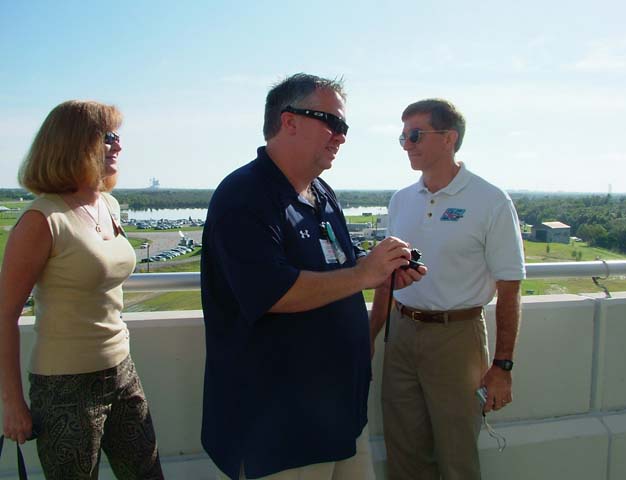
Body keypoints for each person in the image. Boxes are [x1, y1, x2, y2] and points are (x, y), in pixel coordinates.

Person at [200, 73, 426, 480]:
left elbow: (338, 266)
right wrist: (364, 273)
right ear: (289, 121)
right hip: (280, 430)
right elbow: (273, 292)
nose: (341, 136)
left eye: (345, 127)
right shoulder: (244, 196)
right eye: (332, 122)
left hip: (341, 415)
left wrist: (381, 271)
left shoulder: (321, 193)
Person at [0, 100, 164, 479]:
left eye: (117, 136)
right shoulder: (42, 219)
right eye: (107, 137)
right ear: (75, 144)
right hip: (64, 388)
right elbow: (5, 314)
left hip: (122, 371)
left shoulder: (108, 204)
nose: (118, 145)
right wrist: (12, 403)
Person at [370, 99, 526, 480]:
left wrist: (502, 367)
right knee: (404, 451)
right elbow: (387, 276)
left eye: (415, 135)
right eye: (403, 137)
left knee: (457, 456)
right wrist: (369, 336)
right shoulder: (401, 200)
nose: (407, 145)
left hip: (457, 337)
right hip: (401, 334)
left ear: (449, 138)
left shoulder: (490, 201)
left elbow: (510, 287)